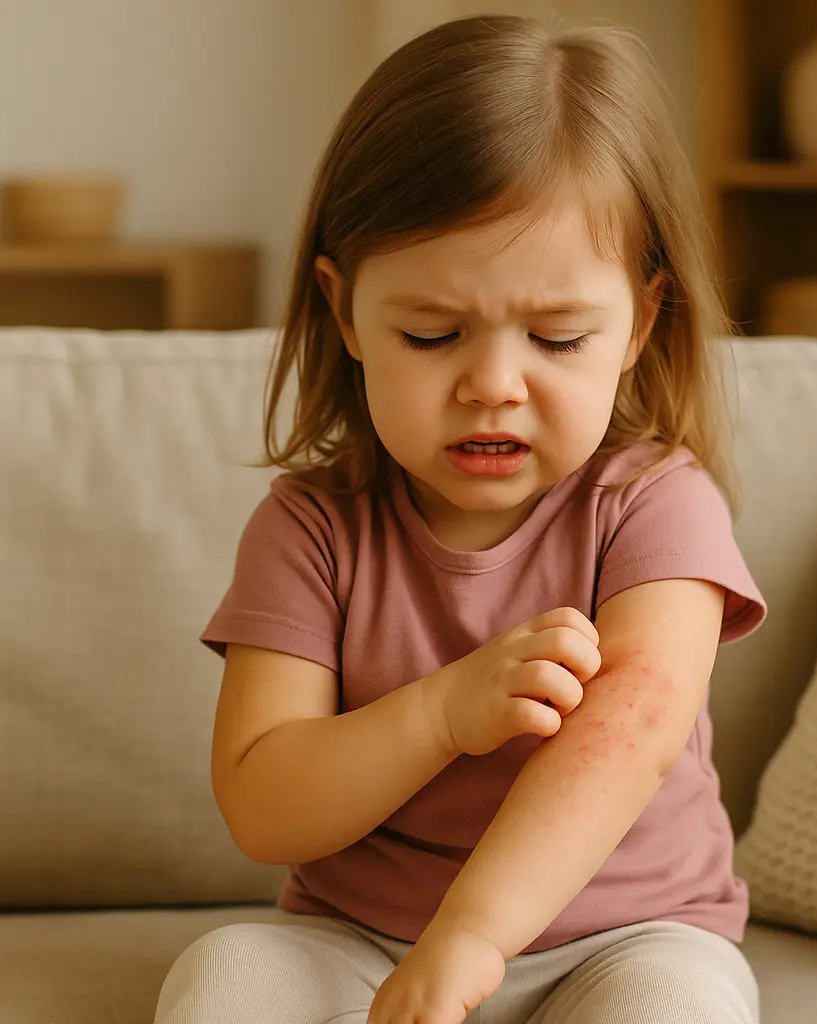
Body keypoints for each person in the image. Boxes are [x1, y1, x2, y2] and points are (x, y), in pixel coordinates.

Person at [155, 13, 766, 1024]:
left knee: (676, 1009)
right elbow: (263, 806)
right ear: (345, 312)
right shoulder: (311, 528)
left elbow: (632, 733)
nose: (493, 385)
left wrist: (472, 938)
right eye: (432, 334)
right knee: (224, 977)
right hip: (359, 940)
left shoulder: (656, 503)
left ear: (639, 323)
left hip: (625, 939)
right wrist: (443, 714)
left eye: (556, 338)